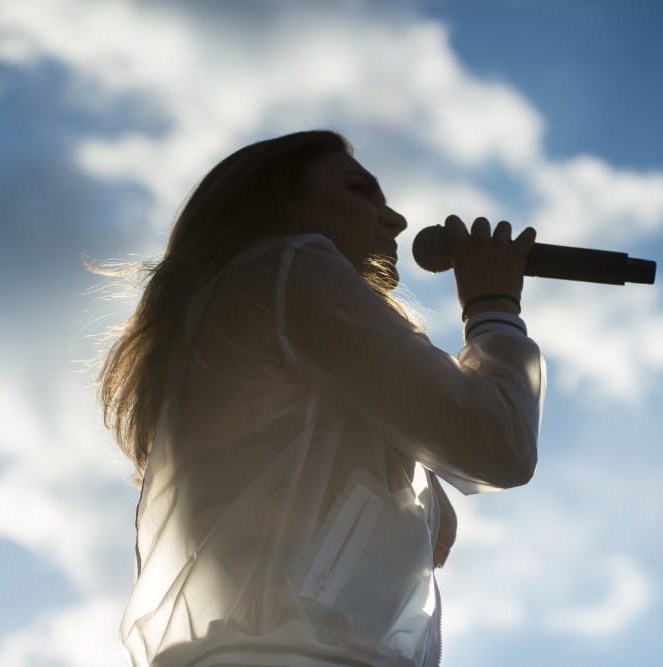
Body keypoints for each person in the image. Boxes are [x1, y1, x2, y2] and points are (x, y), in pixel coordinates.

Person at [96, 130, 545, 667]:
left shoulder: (234, 312)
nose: (396, 220)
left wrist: (414, 492)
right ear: (280, 200)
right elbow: (498, 445)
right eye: (360, 190)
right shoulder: (290, 263)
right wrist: (494, 306)